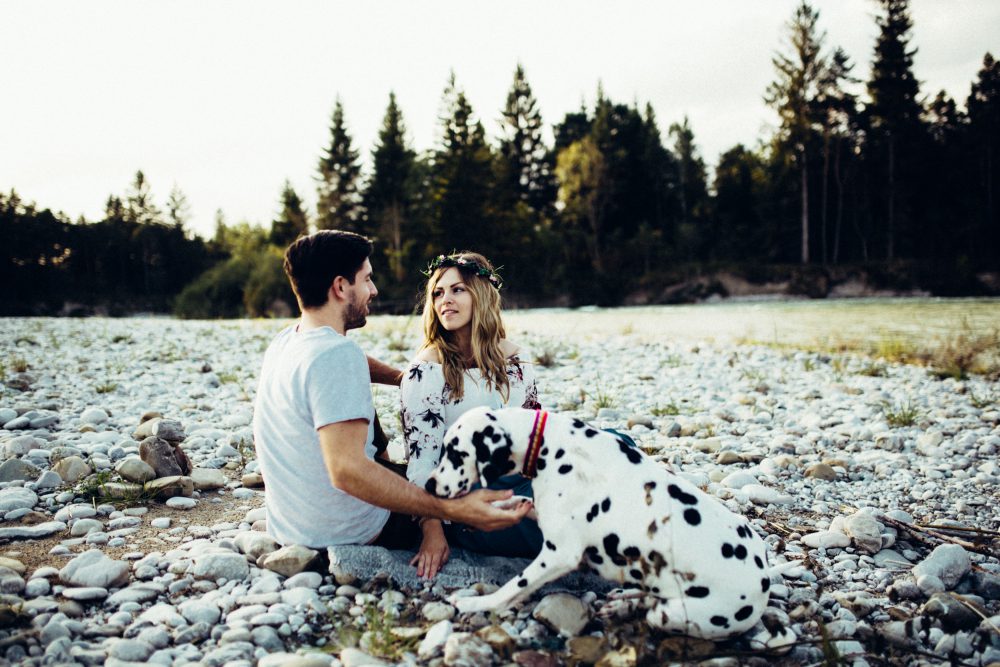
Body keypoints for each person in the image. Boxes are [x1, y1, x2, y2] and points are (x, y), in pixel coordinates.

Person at [252, 231, 533, 551]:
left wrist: (405, 378)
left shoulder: (289, 342)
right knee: (496, 503)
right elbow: (346, 472)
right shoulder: (337, 356)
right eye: (367, 279)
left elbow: (347, 361)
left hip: (292, 525)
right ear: (341, 287)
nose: (373, 290)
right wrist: (446, 512)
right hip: (354, 529)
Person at [401, 251, 543, 579]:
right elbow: (422, 462)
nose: (445, 300)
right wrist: (432, 531)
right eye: (438, 292)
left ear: (481, 294)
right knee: (569, 524)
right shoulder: (427, 369)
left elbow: (536, 437)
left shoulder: (516, 361)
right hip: (467, 503)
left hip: (522, 480)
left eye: (457, 290)